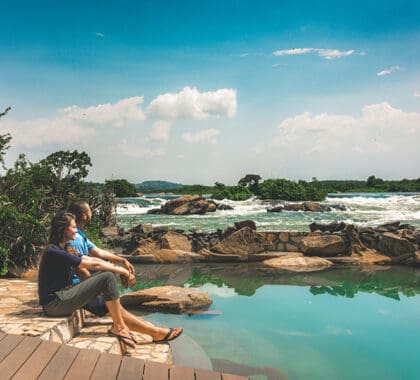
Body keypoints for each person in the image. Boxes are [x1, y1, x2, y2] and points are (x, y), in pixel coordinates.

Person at [38, 212, 183, 348]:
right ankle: (118, 327)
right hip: (54, 304)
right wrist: (123, 271)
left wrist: (119, 263)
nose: (76, 231)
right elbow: (93, 264)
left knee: (110, 305)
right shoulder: (53, 251)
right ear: (63, 229)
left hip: (66, 296)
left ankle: (155, 332)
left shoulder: (65, 249)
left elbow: (92, 259)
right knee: (107, 277)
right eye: (73, 227)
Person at [67, 201, 134, 284]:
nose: (91, 213)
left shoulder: (79, 234)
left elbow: (98, 252)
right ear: (84, 216)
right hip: (74, 283)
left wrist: (122, 261)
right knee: (107, 273)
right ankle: (107, 297)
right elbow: (81, 269)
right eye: (90, 211)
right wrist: (93, 290)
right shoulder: (76, 239)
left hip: (79, 279)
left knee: (108, 263)